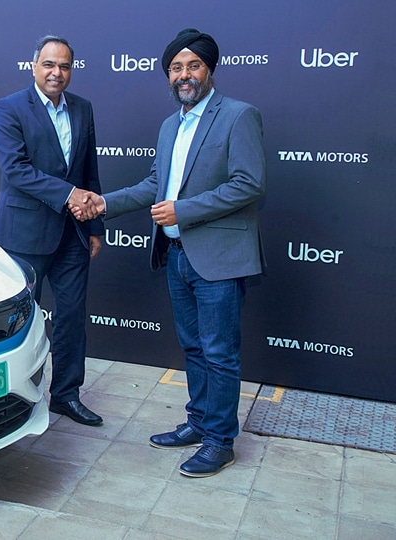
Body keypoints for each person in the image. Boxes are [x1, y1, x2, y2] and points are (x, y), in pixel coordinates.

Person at [74, 28, 265, 476]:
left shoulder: (239, 116)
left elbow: (250, 183)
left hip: (219, 256)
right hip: (177, 255)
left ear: (209, 70)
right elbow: (153, 185)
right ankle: (199, 423)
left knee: (220, 352)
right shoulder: (170, 125)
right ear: (168, 75)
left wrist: (184, 210)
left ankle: (221, 440)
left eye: (193, 65)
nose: (184, 74)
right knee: (195, 348)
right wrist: (105, 203)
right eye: (176, 67)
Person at [0, 35, 104, 426]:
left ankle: (67, 395)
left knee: (72, 316)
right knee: (21, 320)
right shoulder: (9, 108)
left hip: (74, 233)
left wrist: (95, 224)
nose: (57, 73)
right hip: (25, 233)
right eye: (49, 65)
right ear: (34, 64)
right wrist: (71, 194)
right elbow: (17, 170)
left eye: (65, 66)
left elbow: (90, 170)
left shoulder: (83, 109)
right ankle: (12, 398)